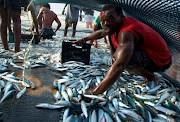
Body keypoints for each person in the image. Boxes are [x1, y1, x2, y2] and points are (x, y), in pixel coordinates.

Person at [75, 4, 172, 95]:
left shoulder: (127, 31)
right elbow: (101, 32)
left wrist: (95, 92)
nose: (105, 24)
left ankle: (151, 77)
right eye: (103, 21)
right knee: (117, 57)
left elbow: (120, 65)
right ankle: (148, 74)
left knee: (123, 60)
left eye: (110, 19)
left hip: (161, 60)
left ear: (121, 16)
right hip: (148, 53)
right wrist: (85, 39)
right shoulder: (115, 25)